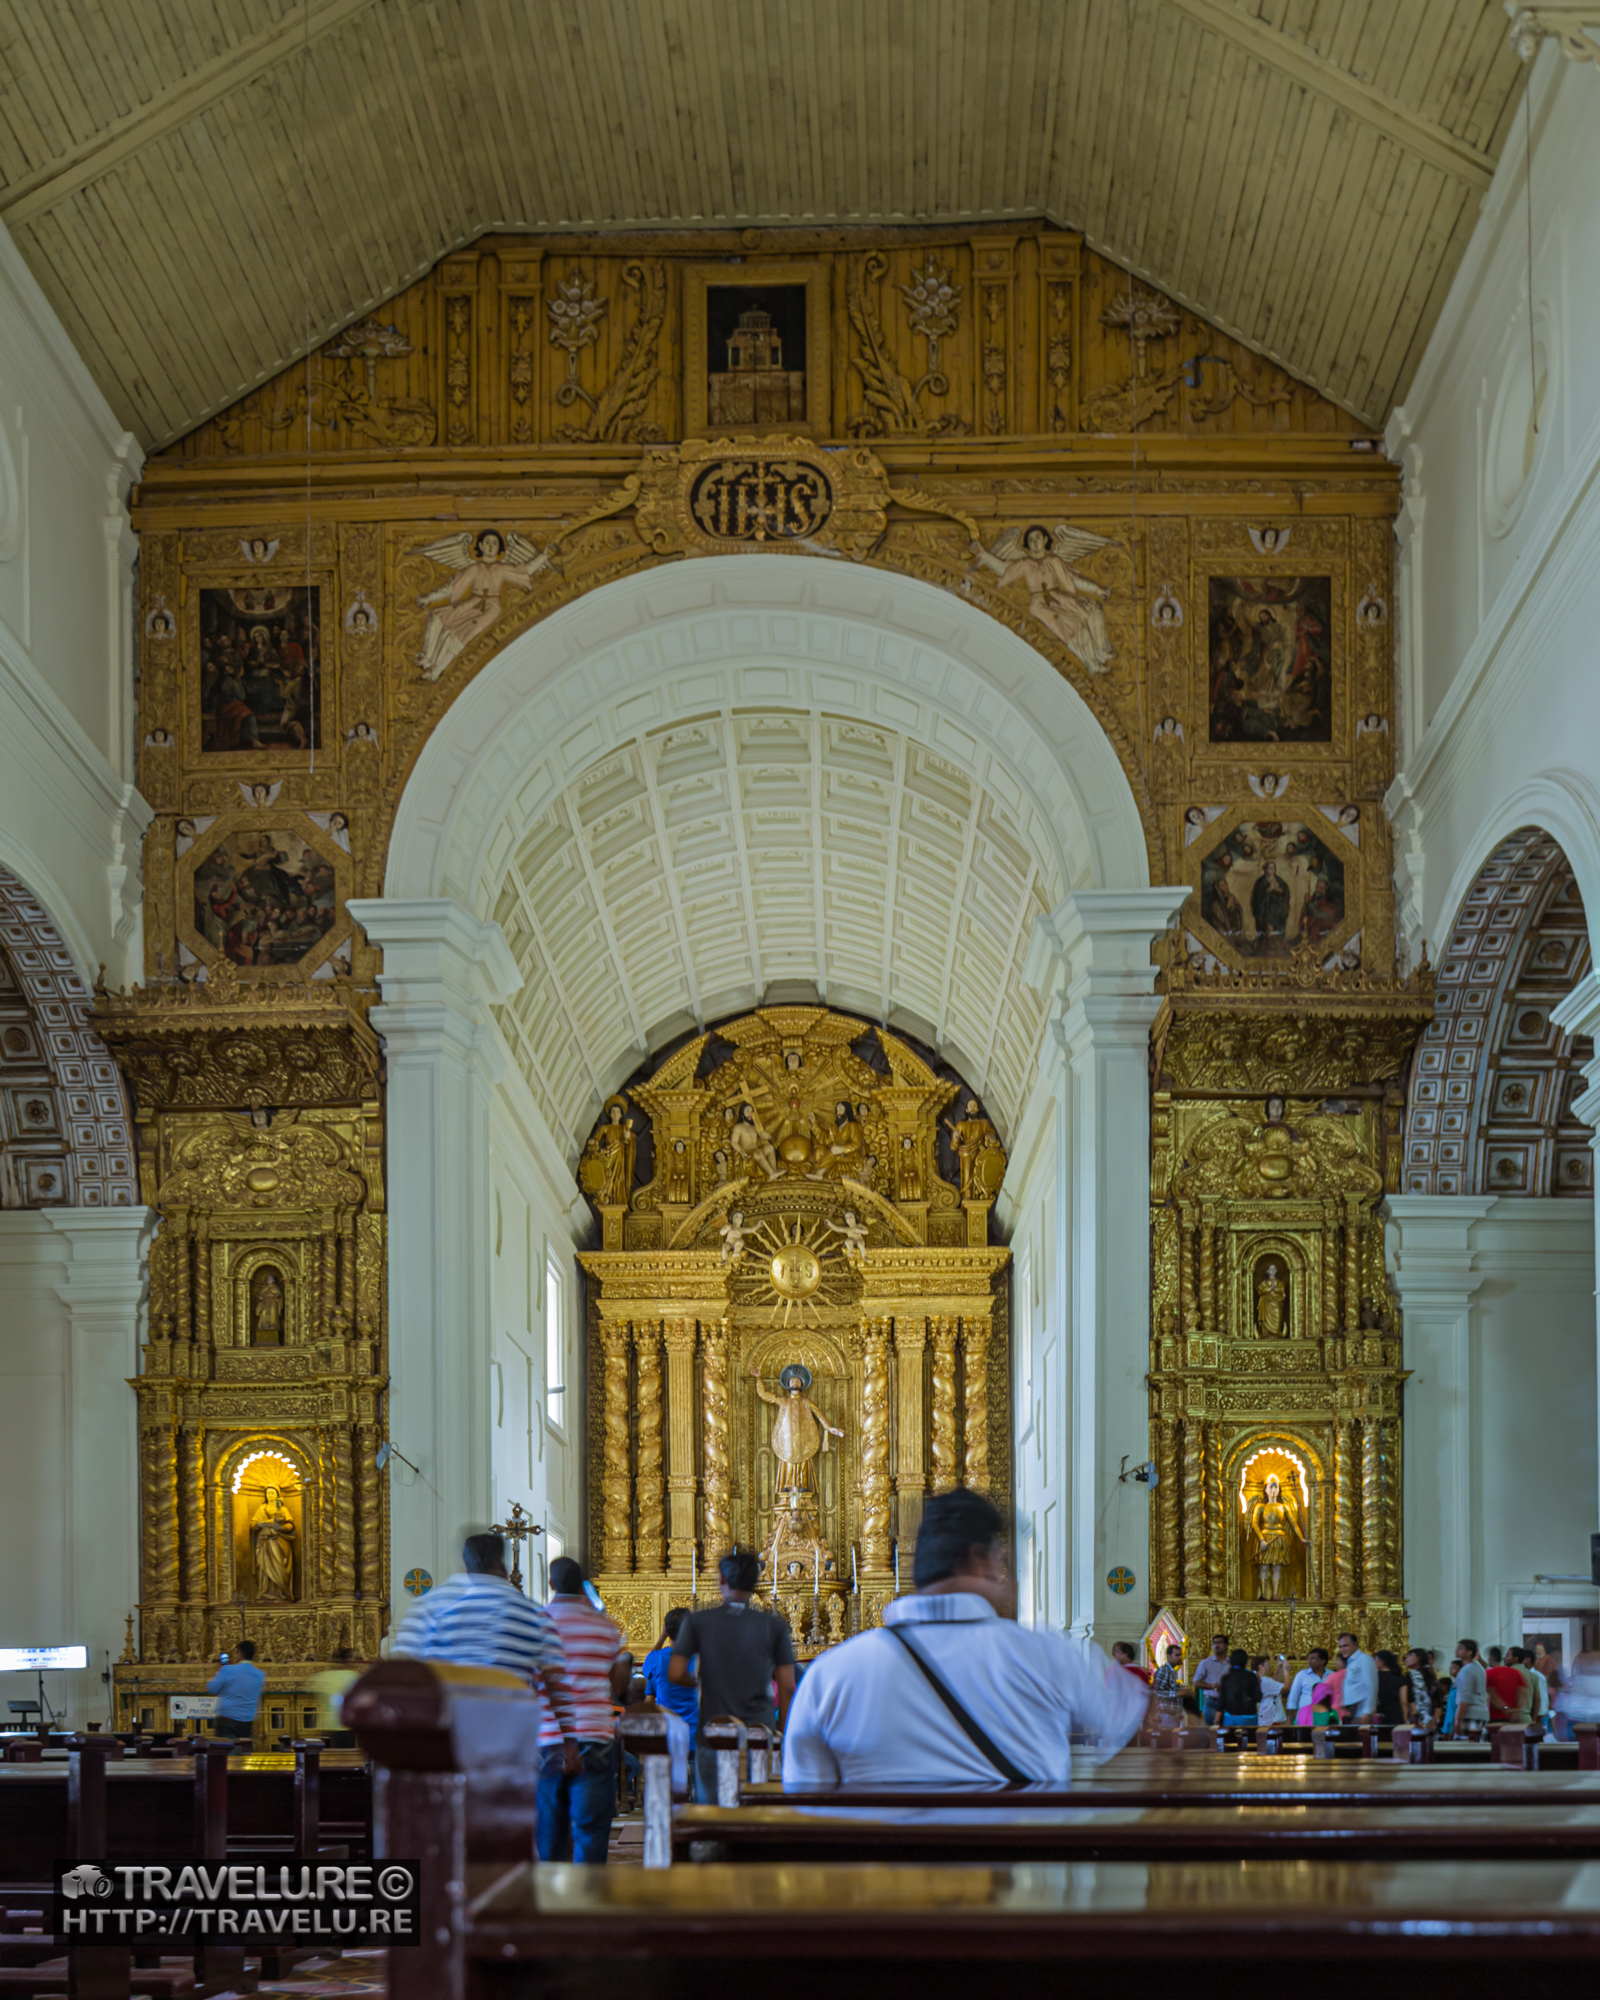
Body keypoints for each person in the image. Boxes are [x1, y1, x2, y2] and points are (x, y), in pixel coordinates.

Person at [781, 1487, 1150, 1788]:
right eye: (1000, 1560)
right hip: (1025, 1874)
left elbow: (806, 1794)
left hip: (881, 1876)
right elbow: (1127, 1720)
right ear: (980, 1560)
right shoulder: (1047, 1654)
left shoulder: (831, 1674)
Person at [393, 1531, 574, 1750]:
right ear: (501, 1562)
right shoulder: (534, 1614)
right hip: (510, 1739)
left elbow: (404, 1668)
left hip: (449, 1739)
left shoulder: (433, 1605)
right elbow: (557, 1684)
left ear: (467, 1565)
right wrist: (570, 1744)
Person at [671, 1548, 798, 1803]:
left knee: (712, 1813)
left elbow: (674, 1673)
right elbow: (787, 1687)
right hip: (759, 1733)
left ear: (721, 1579)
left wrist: (696, 1681)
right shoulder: (773, 1625)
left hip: (713, 1732)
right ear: (755, 1583)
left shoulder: (698, 1621)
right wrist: (780, 1735)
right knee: (758, 1814)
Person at [537, 1558, 626, 1864]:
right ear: (582, 1586)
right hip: (595, 1735)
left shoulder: (537, 1622)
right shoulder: (605, 1627)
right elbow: (617, 1685)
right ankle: (587, 1899)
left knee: (549, 1829)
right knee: (590, 1828)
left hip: (548, 1736)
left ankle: (550, 1900)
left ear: (551, 1584)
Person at [642, 1607, 700, 1749]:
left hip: (668, 1733)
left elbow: (647, 1667)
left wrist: (662, 1637)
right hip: (696, 1734)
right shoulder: (700, 1657)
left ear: (667, 1629)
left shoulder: (657, 1659)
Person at [207, 1639, 265, 1750]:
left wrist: (220, 1671)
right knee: (244, 1754)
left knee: (226, 1755)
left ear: (240, 1653)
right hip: (247, 1721)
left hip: (227, 1720)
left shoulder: (227, 1670)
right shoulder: (259, 1674)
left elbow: (212, 1688)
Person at [306, 1646, 360, 1738]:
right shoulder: (353, 1676)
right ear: (348, 1660)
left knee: (330, 1751)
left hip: (328, 1724)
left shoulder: (323, 1677)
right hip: (346, 1724)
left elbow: (310, 1687)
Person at [1335, 1630, 1377, 1721]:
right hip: (1352, 1709)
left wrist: (1367, 1711)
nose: (1342, 1649)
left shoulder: (1364, 1659)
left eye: (1345, 1646)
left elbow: (1371, 1686)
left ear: (1356, 1645)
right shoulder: (1351, 1662)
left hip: (1360, 1709)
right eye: (1340, 1647)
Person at [1451, 1639, 1490, 1735]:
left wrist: (1457, 1720)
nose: (1457, 1650)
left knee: (1465, 1748)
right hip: (1481, 1714)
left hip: (1470, 1715)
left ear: (1469, 1652)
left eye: (1460, 1648)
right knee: (1478, 1747)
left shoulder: (1466, 1671)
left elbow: (1465, 1699)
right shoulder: (1478, 1668)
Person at [1487, 1646, 1532, 1726]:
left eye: (1507, 1656)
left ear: (1491, 1657)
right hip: (1516, 1717)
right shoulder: (1517, 1673)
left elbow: (1492, 1695)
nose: (1505, 1658)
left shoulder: (1489, 1673)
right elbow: (1523, 1693)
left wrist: (1506, 1709)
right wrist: (1517, 1710)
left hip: (1495, 1718)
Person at [1191, 1635, 1230, 1725]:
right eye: (1214, 1643)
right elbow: (1196, 1682)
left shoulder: (1231, 1663)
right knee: (1211, 1731)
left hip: (1228, 1702)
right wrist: (1211, 1686)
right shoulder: (1205, 1663)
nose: (1216, 1645)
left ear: (1226, 1645)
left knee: (1228, 1730)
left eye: (1220, 1642)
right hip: (1212, 1701)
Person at [1285, 1648, 1330, 1727]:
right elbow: (1293, 1698)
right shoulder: (1302, 1675)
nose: (1309, 1660)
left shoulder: (1332, 1675)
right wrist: (1290, 1719)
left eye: (1313, 1658)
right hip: (1305, 1716)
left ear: (1323, 1661)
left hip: (1326, 1716)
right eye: (1309, 1658)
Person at [1216, 1649, 1261, 1726]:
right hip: (1249, 1717)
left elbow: (1221, 1701)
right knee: (1249, 1738)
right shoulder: (1251, 1676)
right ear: (1245, 1662)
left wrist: (1216, 1720)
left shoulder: (1226, 1678)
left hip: (1230, 1717)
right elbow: (1257, 1697)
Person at [1403, 1647, 1441, 1728]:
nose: (1406, 1659)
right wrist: (1434, 1721)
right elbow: (1438, 1703)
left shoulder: (1411, 1674)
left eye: (1410, 1656)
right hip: (1430, 1720)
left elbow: (1410, 1699)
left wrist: (1414, 1718)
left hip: (1417, 1719)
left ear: (1419, 1658)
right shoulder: (1431, 1676)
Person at [1374, 1649, 1406, 1727]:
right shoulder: (1400, 1678)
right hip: (1396, 1715)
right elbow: (1404, 1702)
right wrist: (1405, 1719)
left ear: (1381, 1662)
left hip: (1378, 1715)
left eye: (1375, 1659)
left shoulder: (1373, 1677)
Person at [1253, 1654, 1287, 1727]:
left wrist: (1279, 1665)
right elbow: (1287, 1688)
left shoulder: (1256, 1678)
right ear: (1261, 1666)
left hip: (1262, 1719)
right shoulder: (1265, 1681)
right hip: (1270, 1721)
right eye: (1267, 1664)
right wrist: (1287, 1671)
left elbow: (1274, 1681)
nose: (1269, 1666)